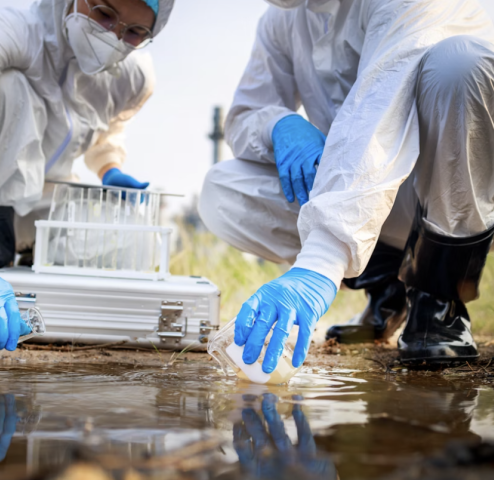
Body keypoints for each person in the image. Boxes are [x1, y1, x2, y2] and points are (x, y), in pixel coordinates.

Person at [199, 0, 494, 370]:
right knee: (223, 189)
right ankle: (388, 290)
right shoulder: (282, 17)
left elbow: (378, 116)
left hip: (454, 184)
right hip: (365, 189)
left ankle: (440, 301)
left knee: (459, 66)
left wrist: (320, 262)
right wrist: (278, 124)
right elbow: (245, 115)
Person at [0, 0, 175, 360]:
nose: (113, 36)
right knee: (11, 88)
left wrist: (108, 167)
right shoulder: (10, 31)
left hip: (47, 202)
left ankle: (26, 279)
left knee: (132, 241)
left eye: (134, 32)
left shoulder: (133, 75)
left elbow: (109, 125)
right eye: (104, 13)